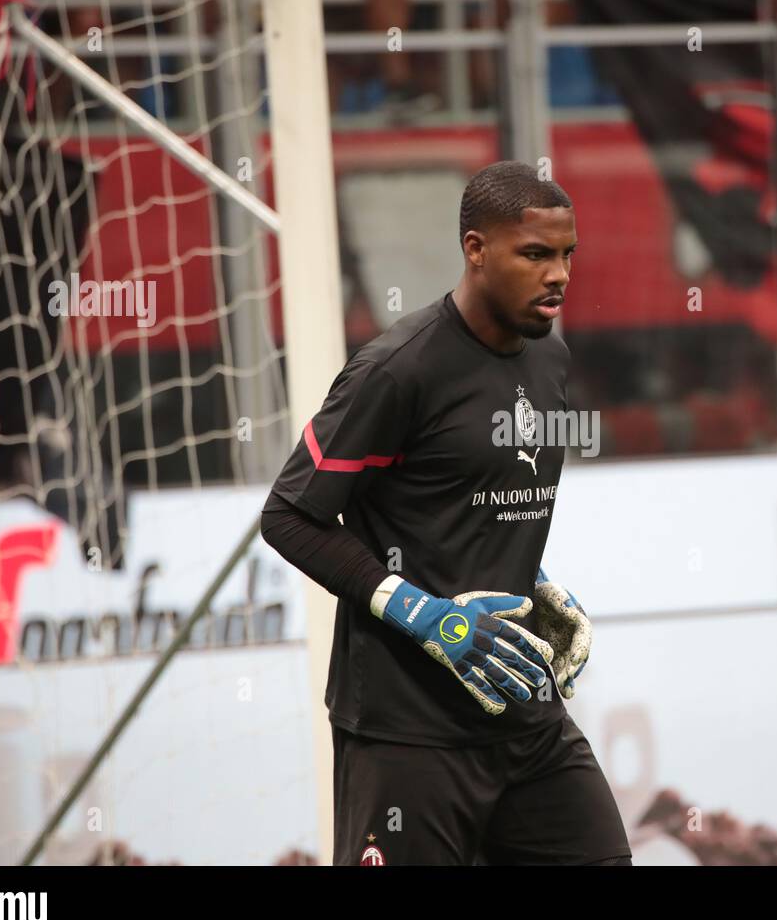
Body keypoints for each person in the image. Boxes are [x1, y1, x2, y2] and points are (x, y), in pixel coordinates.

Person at [260, 161, 631, 866]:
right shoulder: (397, 370)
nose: (558, 275)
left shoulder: (550, 360)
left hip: (521, 710)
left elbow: (464, 502)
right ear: (475, 249)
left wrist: (537, 582)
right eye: (535, 254)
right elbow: (288, 516)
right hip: (407, 732)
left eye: (566, 255)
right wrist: (423, 613)